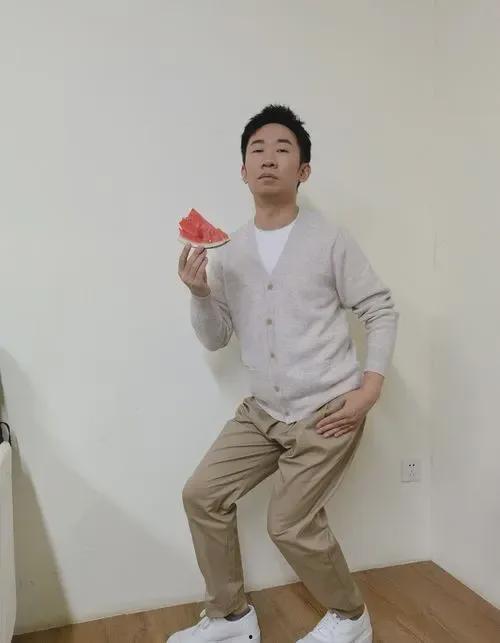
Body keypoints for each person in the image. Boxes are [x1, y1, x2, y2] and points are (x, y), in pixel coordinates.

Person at [170, 105, 398, 643]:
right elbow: (216, 338)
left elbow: (380, 309)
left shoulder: (330, 240)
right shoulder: (228, 252)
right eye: (257, 150)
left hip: (327, 410)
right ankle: (232, 618)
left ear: (303, 170)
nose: (268, 158)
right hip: (263, 412)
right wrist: (199, 294)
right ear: (243, 170)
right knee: (201, 495)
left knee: (288, 524)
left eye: (282, 149)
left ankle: (352, 617)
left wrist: (370, 388)